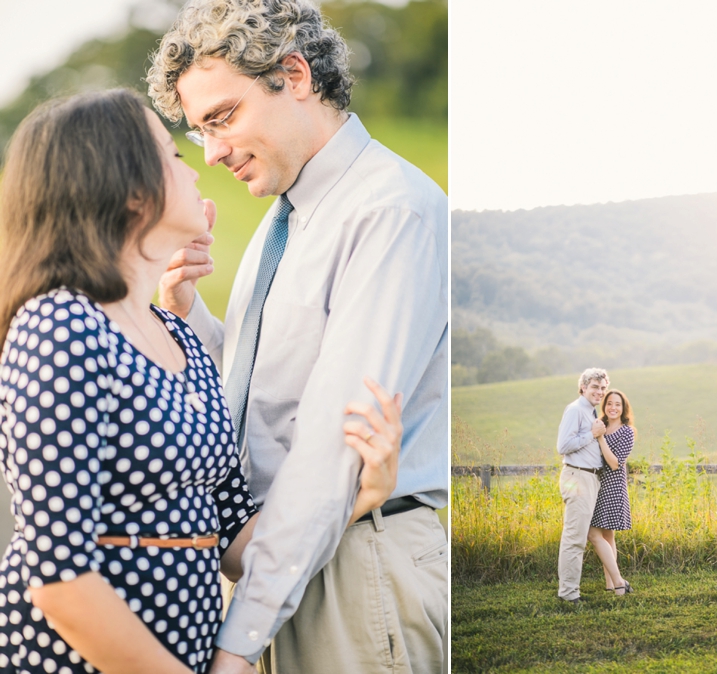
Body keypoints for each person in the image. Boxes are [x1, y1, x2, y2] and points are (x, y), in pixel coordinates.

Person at [0, 89, 400, 674]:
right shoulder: (61, 326)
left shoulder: (181, 337)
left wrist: (358, 496)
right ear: (130, 190)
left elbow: (236, 539)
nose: (202, 166)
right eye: (174, 154)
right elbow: (59, 581)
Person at [145, 0, 449, 671]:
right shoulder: (285, 215)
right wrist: (189, 313)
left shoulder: (388, 213)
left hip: (360, 567)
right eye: (200, 133)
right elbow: (269, 392)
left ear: (296, 75)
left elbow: (330, 452)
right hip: (285, 563)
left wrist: (235, 641)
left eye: (222, 119)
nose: (215, 151)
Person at [556, 368, 609, 604]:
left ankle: (571, 590)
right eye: (595, 387)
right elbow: (563, 446)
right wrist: (592, 433)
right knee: (574, 538)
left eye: (603, 388)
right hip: (577, 477)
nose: (600, 392)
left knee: (579, 535)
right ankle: (569, 594)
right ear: (583, 388)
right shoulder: (576, 410)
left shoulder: (591, 412)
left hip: (589, 478)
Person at [587, 389, 636, 597]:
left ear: (623, 408)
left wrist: (600, 439)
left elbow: (615, 463)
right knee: (607, 536)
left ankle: (617, 582)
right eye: (609, 403)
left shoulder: (627, 432)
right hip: (595, 484)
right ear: (604, 405)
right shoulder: (600, 426)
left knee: (598, 533)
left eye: (617, 404)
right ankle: (612, 584)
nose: (613, 407)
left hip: (612, 485)